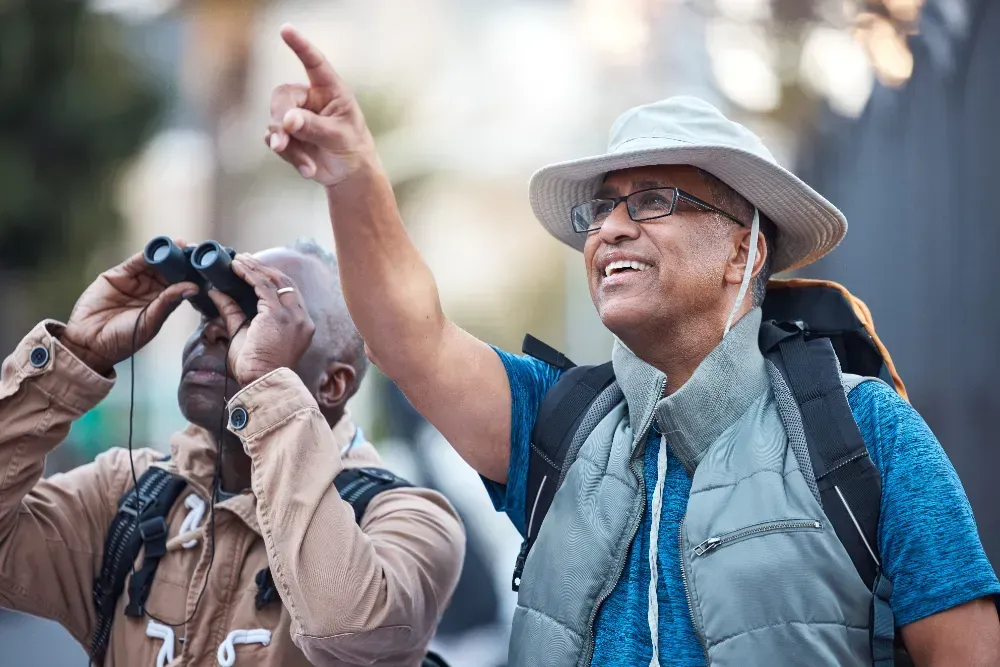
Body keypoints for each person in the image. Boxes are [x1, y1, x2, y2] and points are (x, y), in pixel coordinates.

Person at [262, 24, 1000, 667]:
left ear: (742, 249)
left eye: (652, 200)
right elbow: (409, 335)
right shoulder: (557, 422)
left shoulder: (864, 432)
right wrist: (352, 173)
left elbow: (965, 650)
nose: (610, 228)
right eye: (603, 207)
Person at [0, 238, 465, 666]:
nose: (217, 334)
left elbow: (347, 628)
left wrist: (267, 387)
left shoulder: (409, 519)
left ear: (332, 383)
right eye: (210, 313)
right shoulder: (128, 494)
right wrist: (72, 358)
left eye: (256, 320)